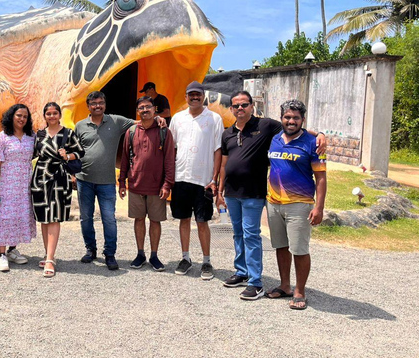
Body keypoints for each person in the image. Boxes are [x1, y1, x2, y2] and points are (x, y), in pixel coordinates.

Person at [217, 90, 326, 301]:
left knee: (263, 238)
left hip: (271, 197)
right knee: (253, 238)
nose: (240, 108)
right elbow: (223, 163)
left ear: (252, 106)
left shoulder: (267, 127)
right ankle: (252, 275)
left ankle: (265, 284)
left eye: (244, 104)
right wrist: (219, 190)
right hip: (254, 197)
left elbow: (295, 128)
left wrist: (319, 133)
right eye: (236, 105)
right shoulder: (238, 134)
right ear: (231, 108)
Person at [266, 100, 327, 310]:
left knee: (299, 249)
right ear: (281, 118)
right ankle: (285, 286)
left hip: (299, 204)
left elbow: (321, 178)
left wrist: (319, 208)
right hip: (273, 203)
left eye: (296, 118)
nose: (291, 121)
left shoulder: (313, 143)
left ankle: (300, 291)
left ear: (303, 119)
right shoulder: (275, 138)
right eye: (287, 117)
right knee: (281, 247)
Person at [168, 81, 224, 280]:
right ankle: (185, 258)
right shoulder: (177, 118)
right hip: (181, 177)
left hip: (204, 180)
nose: (194, 97)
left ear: (203, 96)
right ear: (186, 97)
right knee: (183, 220)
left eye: (198, 94)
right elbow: (171, 148)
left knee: (202, 221)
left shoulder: (214, 118)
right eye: (191, 94)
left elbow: (218, 150)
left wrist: (214, 179)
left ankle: (206, 261)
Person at [74, 91, 135, 270]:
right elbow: (74, 150)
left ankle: (110, 254)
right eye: (93, 103)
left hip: (107, 181)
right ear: (88, 106)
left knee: (109, 218)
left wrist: (158, 119)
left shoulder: (116, 121)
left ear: (105, 104)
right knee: (86, 218)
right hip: (84, 179)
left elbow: (139, 123)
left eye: (100, 102)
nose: (97, 106)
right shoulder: (80, 126)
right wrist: (72, 174)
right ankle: (90, 249)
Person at [118, 96, 175, 272]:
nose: (145, 110)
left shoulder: (164, 132)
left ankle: (154, 255)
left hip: (157, 186)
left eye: (148, 107)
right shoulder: (131, 132)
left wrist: (167, 184)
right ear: (137, 111)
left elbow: (169, 160)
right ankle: (140, 254)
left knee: (155, 221)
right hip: (136, 184)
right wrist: (122, 182)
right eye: (141, 108)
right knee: (139, 219)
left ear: (154, 109)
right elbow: (125, 158)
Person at [31, 102, 84, 277]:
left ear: (59, 115)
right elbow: (32, 154)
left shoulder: (68, 133)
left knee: (54, 217)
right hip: (40, 177)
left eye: (55, 113)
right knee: (44, 218)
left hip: (59, 178)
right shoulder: (39, 134)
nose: (52, 116)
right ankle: (48, 254)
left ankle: (50, 259)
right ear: (44, 116)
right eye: (48, 113)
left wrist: (67, 155)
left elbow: (80, 152)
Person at [0, 104, 36, 272]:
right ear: (11, 116)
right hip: (6, 185)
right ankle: (1, 254)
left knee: (19, 216)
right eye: (18, 115)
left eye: (25, 116)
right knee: (4, 217)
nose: (22, 119)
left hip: (24, 186)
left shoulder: (31, 137)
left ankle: (12, 250)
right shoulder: (3, 137)